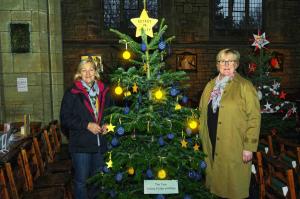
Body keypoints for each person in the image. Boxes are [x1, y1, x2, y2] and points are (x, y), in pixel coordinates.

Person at [199, 48, 261, 198]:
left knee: (233, 185)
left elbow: (254, 117)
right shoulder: (210, 86)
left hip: (234, 143)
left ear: (237, 64)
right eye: (222, 61)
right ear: (217, 64)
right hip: (211, 140)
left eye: (230, 61)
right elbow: (201, 111)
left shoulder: (245, 86)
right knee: (215, 180)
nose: (226, 64)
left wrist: (249, 147)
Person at [60, 57, 110, 199]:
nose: (88, 74)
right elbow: (65, 119)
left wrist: (108, 124)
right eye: (84, 70)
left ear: (96, 72)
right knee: (81, 182)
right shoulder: (72, 93)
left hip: (100, 145)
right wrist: (87, 125)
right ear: (79, 74)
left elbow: (112, 113)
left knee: (97, 182)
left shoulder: (104, 91)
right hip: (81, 145)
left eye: (91, 70)